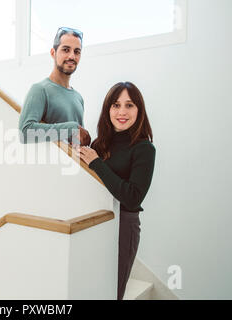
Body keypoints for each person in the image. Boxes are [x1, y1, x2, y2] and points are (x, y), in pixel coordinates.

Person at [75, 82, 156, 300]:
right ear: (107, 109)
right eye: (116, 105)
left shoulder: (144, 148)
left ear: (139, 110)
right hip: (96, 222)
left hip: (124, 226)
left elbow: (132, 197)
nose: (121, 111)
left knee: (112, 291)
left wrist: (97, 163)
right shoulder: (100, 145)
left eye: (129, 105)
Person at [19, 27, 91, 146]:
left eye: (77, 51)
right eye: (66, 50)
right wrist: (71, 128)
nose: (72, 56)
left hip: (74, 164)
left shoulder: (78, 97)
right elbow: (25, 132)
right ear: (53, 53)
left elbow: (78, 140)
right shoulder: (40, 90)